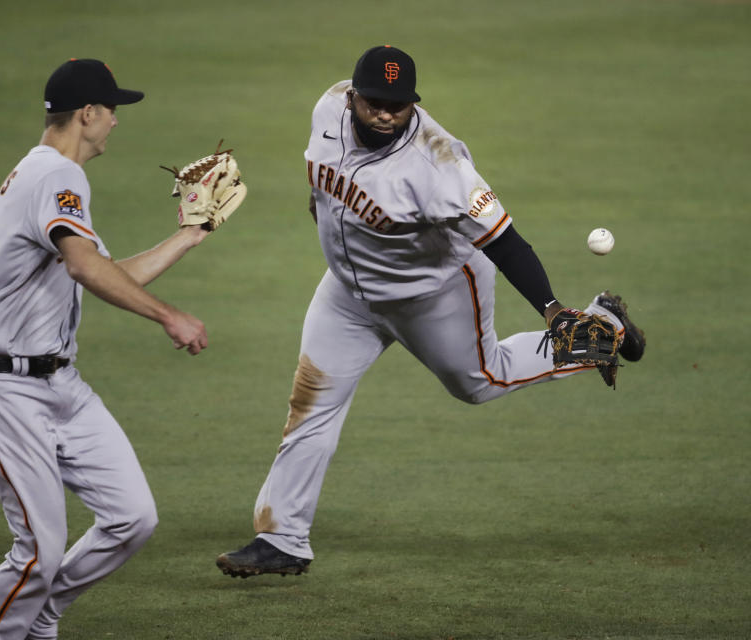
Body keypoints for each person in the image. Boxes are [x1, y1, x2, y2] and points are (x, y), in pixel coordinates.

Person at [215, 45, 645, 578]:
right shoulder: (327, 108)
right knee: (310, 402)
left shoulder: (441, 167)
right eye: (375, 100)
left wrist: (555, 310)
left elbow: (508, 244)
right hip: (347, 295)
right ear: (352, 97)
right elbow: (326, 179)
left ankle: (601, 329)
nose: (386, 112)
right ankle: (282, 539)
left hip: (434, 294)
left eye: (398, 103)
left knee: (481, 381)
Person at [0, 58, 211, 639]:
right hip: (4, 389)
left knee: (132, 518)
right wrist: (170, 316)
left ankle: (41, 616)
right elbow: (86, 267)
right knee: (39, 552)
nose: (117, 122)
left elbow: (101, 270)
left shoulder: (49, 176)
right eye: (112, 110)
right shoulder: (55, 176)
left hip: (59, 385)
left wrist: (191, 234)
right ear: (88, 113)